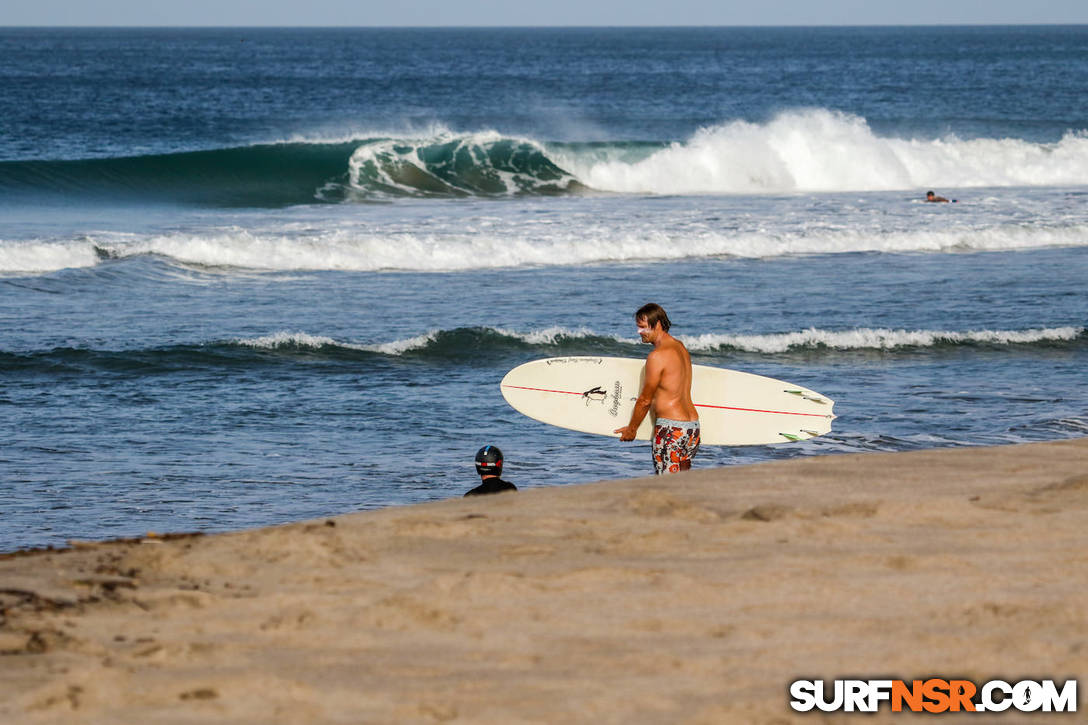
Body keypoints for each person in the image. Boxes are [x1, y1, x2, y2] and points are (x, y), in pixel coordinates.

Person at [614, 303, 700, 474]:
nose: (639, 333)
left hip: (671, 430)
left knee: (668, 485)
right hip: (692, 428)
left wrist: (632, 429)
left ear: (658, 323)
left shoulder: (657, 356)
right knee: (685, 482)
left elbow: (645, 400)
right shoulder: (680, 347)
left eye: (643, 327)